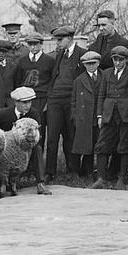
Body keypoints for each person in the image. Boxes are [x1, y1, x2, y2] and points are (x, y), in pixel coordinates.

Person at [0, 86, 51, 195]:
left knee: (38, 149)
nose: (28, 106)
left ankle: (40, 183)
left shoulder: (33, 114)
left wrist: (31, 140)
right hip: (7, 151)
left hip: (26, 148)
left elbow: (39, 134)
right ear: (16, 102)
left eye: (29, 102)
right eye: (24, 103)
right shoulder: (3, 114)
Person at [44, 26, 85, 181]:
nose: (58, 42)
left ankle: (73, 170)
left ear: (70, 38)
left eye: (60, 40)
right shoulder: (59, 55)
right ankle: (49, 172)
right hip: (55, 99)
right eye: (56, 39)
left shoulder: (82, 54)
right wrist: (50, 96)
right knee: (52, 137)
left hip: (71, 100)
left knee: (71, 136)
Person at [93, 45, 128, 189]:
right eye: (115, 60)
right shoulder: (106, 74)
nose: (117, 63)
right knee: (102, 145)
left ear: (126, 60)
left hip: (125, 115)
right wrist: (99, 115)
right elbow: (101, 95)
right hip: (108, 114)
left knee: (124, 146)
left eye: (121, 60)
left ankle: (121, 179)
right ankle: (101, 178)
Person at [71, 51, 102, 178]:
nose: (91, 66)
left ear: (98, 63)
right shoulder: (79, 80)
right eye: (87, 64)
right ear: (84, 65)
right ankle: (77, 172)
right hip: (83, 117)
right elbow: (73, 100)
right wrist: (74, 116)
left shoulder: (104, 76)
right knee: (81, 145)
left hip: (97, 116)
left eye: (93, 63)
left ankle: (91, 170)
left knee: (95, 143)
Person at [13, 32, 54, 122]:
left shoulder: (50, 61)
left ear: (41, 44)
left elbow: (52, 81)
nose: (32, 47)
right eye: (30, 44)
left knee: (40, 124)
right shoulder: (22, 61)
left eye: (35, 44)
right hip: (25, 98)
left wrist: (48, 101)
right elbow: (17, 81)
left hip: (42, 98)